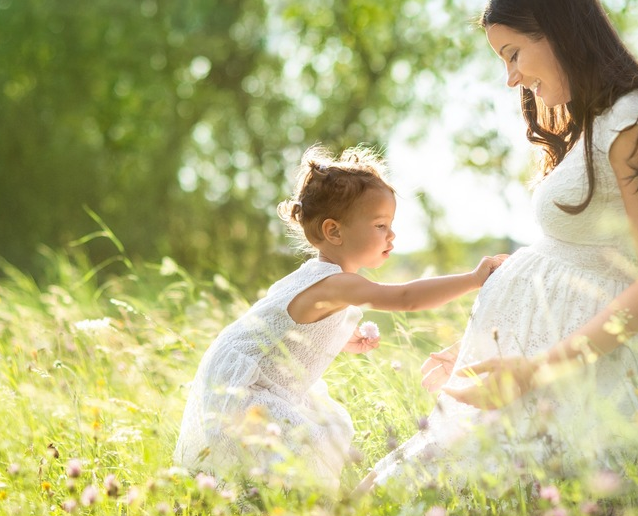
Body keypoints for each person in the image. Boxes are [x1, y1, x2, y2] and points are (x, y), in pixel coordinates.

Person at [362, 0, 638, 491]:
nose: (511, 77)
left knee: (407, 497)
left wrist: (535, 370)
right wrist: (487, 343)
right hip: (542, 379)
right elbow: (569, 260)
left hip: (582, 387)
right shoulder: (598, 124)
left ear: (559, 30)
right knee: (385, 494)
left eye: (513, 53)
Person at [173, 144, 507, 489]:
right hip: (248, 388)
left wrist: (339, 337)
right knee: (294, 453)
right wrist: (473, 278)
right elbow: (405, 298)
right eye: (380, 225)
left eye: (391, 224)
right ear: (334, 232)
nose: (391, 235)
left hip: (249, 374)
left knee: (287, 459)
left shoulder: (318, 277)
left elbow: (286, 329)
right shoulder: (335, 282)